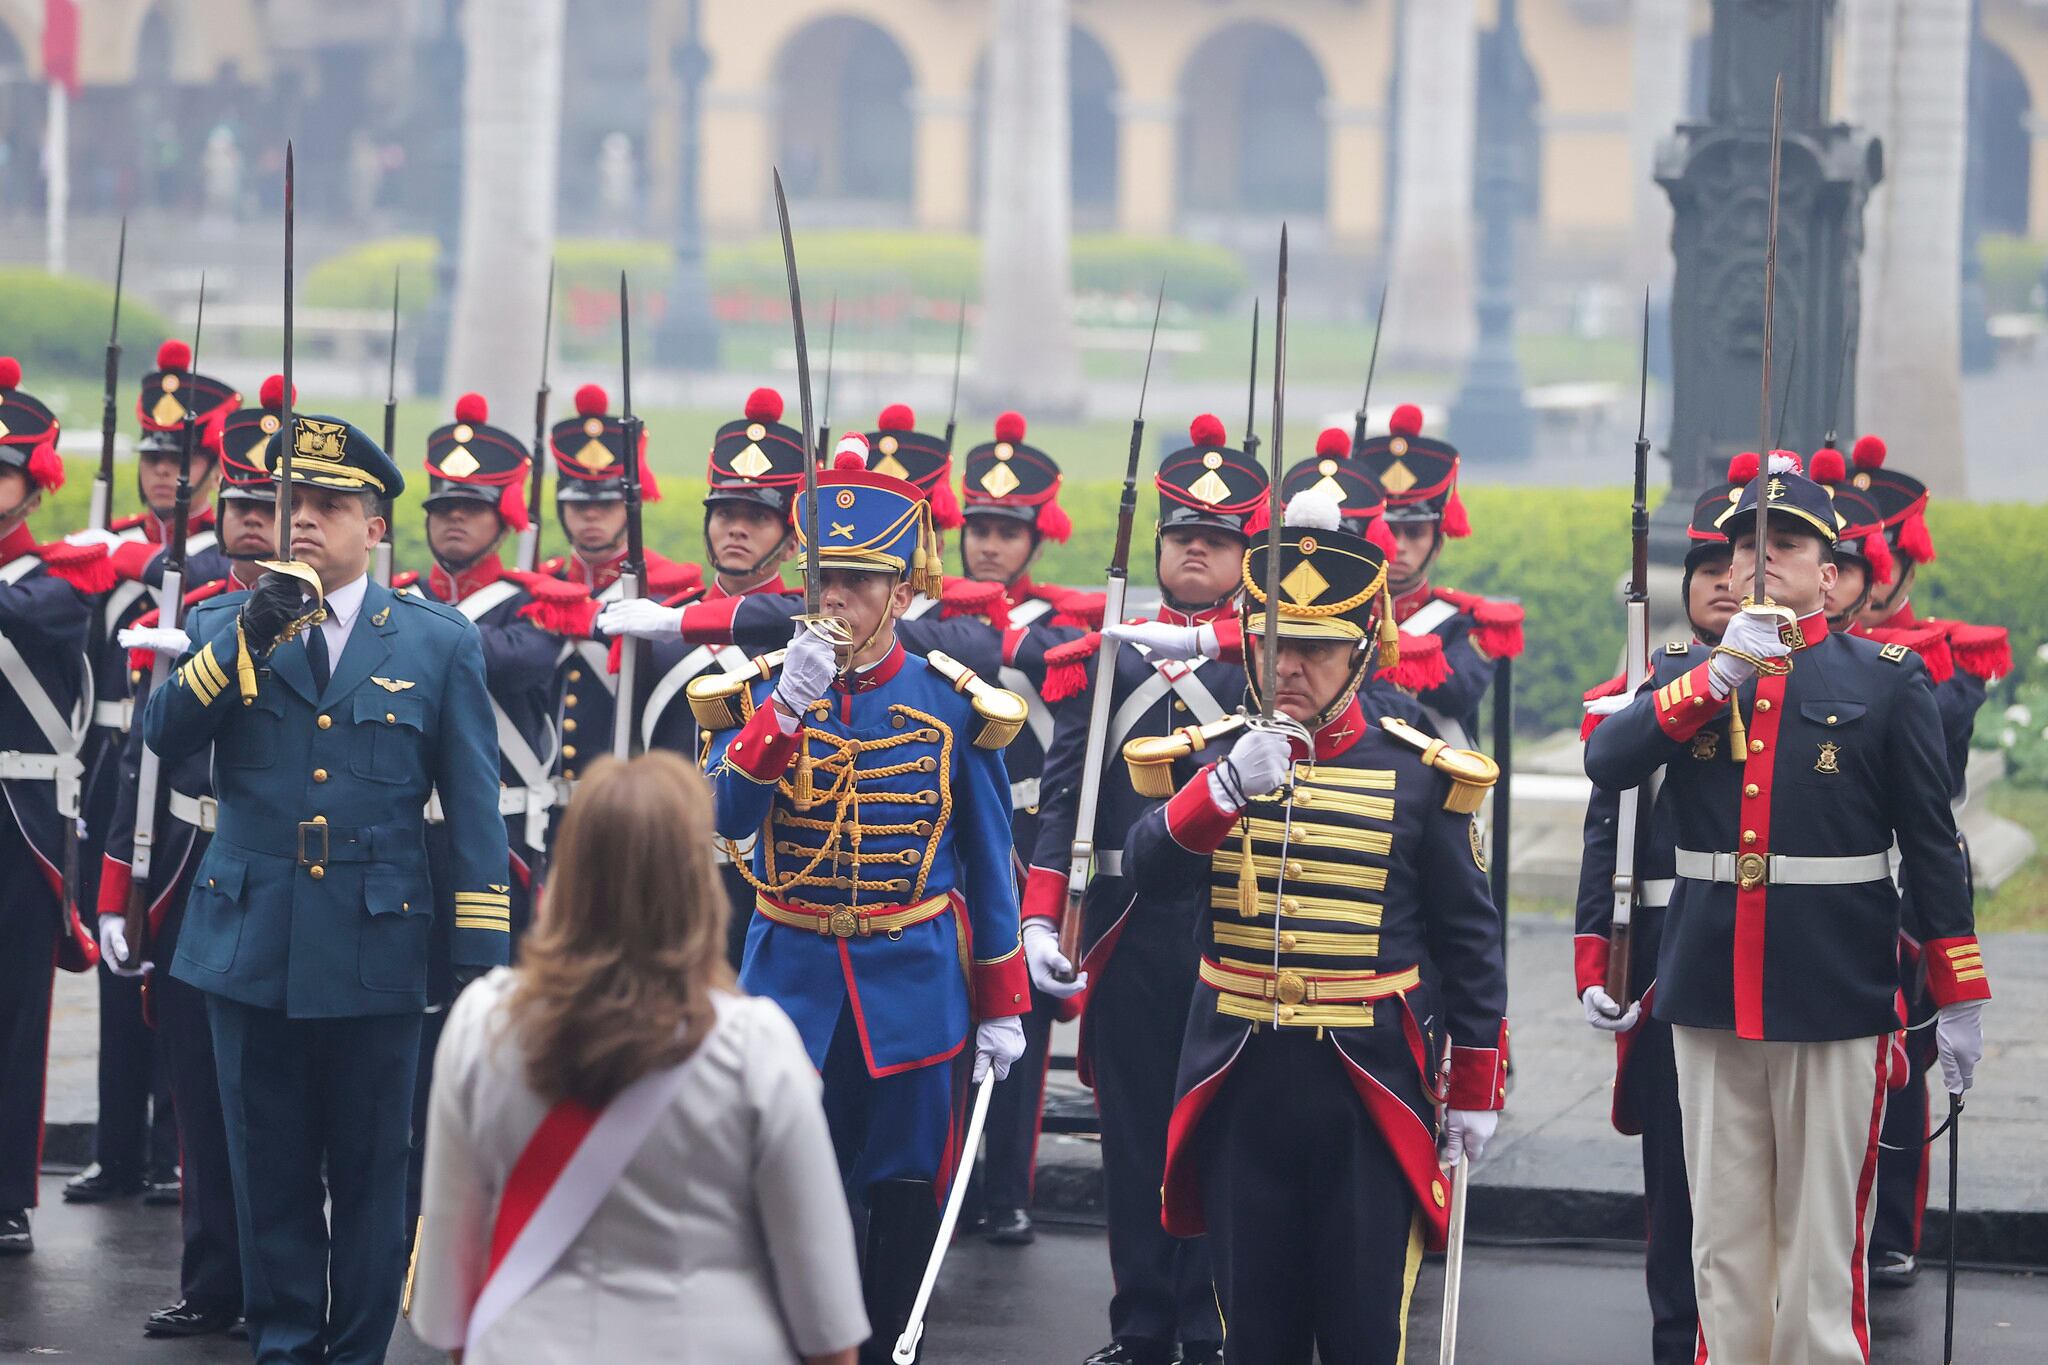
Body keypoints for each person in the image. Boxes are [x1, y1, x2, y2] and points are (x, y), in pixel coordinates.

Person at [1583, 454, 1991, 1363]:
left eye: (1789, 542)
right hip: (1707, 985)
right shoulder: (1687, 668)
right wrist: (1714, 679)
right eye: (1744, 546)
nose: (1762, 559)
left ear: (1829, 570)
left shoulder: (1885, 677)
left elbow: (1928, 842)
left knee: (1820, 1250)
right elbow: (1608, 760)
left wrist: (1955, 987)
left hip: (1833, 987)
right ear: (1722, 571)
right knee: (1721, 1243)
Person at [143, 412, 511, 1363]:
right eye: (290, 503)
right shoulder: (225, 621)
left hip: (374, 943)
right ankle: (282, 1343)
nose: (301, 521)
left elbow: (474, 811)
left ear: (375, 526)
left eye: (328, 505)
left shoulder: (435, 642)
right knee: (265, 1169)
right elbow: (166, 731)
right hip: (247, 941)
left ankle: (356, 1350)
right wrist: (251, 636)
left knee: (372, 1171)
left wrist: (480, 957)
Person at [1119, 488, 1509, 1364]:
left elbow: (1469, 945)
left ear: (1363, 650)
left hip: (1367, 1084)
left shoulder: (1418, 776)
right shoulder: (1217, 759)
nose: (1291, 667)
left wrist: (1477, 1082)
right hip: (1239, 1076)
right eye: (1275, 646)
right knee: (1254, 1332)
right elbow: (1149, 876)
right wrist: (1221, 791)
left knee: (1365, 1329)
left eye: (1317, 649)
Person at [698, 438, 1040, 1364]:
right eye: (823, 580)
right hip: (791, 981)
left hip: (911, 986)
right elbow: (723, 814)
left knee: (899, 1195)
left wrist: (1004, 1002)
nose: (836, 601)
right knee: (783, 1187)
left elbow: (988, 856)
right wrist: (784, 714)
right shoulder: (759, 697)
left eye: (858, 581)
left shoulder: (952, 704)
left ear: (902, 591)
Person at [407, 752, 869, 1365]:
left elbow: (443, 1308)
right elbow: (828, 1321)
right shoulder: (757, 1046)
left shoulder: (483, 1025)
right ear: (696, 887)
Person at [1021, 414, 1265, 1365]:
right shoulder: (1106, 653)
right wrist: (1045, 914)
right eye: (1181, 537)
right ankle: (1141, 1325)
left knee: (1217, 1132)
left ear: (1247, 552)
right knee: (1133, 1140)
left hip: (1229, 923)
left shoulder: (1268, 656)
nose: (1194, 550)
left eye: (1216, 539)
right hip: (1127, 926)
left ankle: (1211, 1326)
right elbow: (1060, 804)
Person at [92, 382, 291, 1336]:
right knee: (200, 1095)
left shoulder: (334, 622)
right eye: (240, 508)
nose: (250, 525)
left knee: (278, 1099)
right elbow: (140, 759)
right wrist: (115, 890)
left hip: (283, 876)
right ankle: (213, 1278)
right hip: (184, 864)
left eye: (269, 508)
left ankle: (277, 1284)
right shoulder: (194, 606)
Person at [61, 338, 239, 1208]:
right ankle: (116, 1146)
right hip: (105, 768)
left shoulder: (211, 554)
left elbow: (194, 576)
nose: (166, 473)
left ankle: (176, 1146)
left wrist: (120, 559)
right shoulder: (114, 548)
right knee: (115, 952)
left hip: (178, 771)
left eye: (184, 459)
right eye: (155, 456)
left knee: (175, 961)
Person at [1831, 434, 2010, 1287]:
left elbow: (1930, 763)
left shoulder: (1943, 657)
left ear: (1895, 568)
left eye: (1860, 561)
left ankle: (1891, 1225)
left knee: (1901, 1052)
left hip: (1905, 874)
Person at [1571, 470, 1740, 1365]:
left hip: (1774, 954)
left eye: (1737, 560)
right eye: (1703, 563)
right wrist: (1600, 961)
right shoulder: (1658, 681)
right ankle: (1678, 1340)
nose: (1719, 579)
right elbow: (1611, 838)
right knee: (1674, 1174)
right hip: (1672, 953)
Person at [402, 392, 561, 1221]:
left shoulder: (536, 606)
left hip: (504, 849)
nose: (454, 521)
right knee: (420, 1032)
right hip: (411, 848)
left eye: (471, 507)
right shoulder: (403, 600)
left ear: (502, 516)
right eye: (444, 508)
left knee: (505, 1028)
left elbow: (509, 663)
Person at [0, 356, 103, 1256]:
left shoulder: (62, 580)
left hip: (19, 821)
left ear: (33, 490)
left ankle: (4, 1190)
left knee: (16, 1006)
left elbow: (29, 619)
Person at [516, 382, 700, 794]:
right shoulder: (541, 587)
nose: (592, 515)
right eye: (580, 504)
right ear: (562, 509)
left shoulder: (666, 593)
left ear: (630, 507)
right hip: (539, 802)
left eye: (606, 504)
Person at [1351, 403, 1525, 748]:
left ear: (1437, 543)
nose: (1398, 547)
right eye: (1388, 532)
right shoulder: (1341, 615)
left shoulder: (1463, 620)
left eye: (1414, 533)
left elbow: (1457, 692)